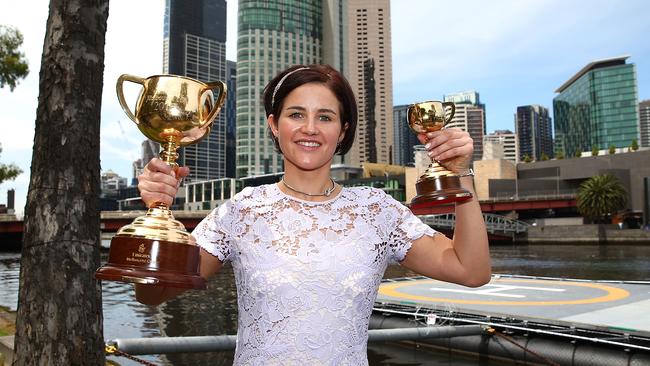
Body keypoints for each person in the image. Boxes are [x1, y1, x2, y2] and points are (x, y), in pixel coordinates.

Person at [135, 64, 491, 365]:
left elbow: (471, 271)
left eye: (325, 116)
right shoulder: (242, 210)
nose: (310, 128)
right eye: (296, 115)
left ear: (343, 131)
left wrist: (461, 174)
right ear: (275, 126)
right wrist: (157, 213)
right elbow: (152, 295)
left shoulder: (377, 210)